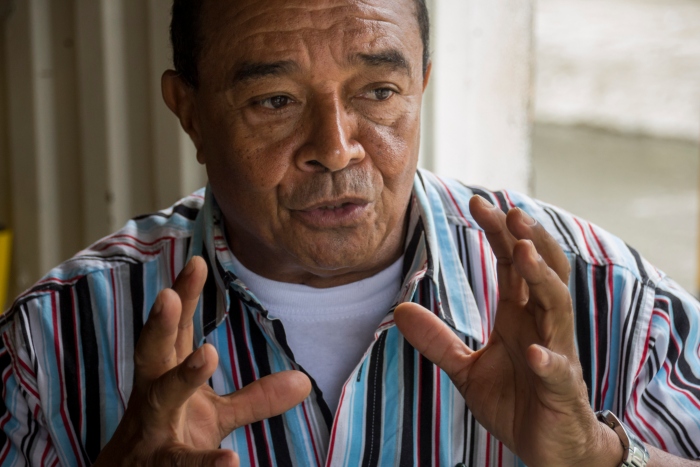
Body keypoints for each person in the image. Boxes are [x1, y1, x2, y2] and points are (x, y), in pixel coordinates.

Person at [1, 0, 699, 465]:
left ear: (421, 84)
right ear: (189, 112)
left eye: (378, 92)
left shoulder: (609, 299)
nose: (335, 147)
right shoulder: (53, 339)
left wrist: (599, 456)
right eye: (275, 101)